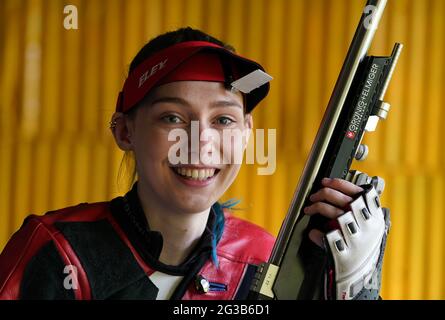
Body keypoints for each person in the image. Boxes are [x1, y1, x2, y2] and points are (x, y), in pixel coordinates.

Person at [0, 27, 389, 300]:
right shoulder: (56, 252)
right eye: (172, 118)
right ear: (124, 132)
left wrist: (357, 286)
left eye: (223, 120)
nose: (201, 143)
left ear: (246, 132)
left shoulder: (263, 259)